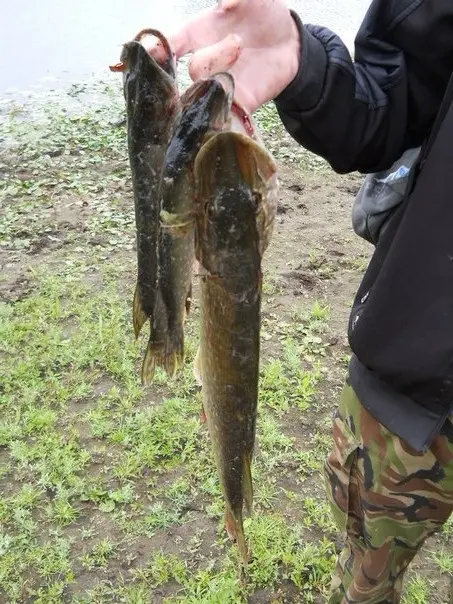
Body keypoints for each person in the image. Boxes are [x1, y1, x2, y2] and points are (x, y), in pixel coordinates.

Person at [144, 1, 453, 602]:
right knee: (366, 554)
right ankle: (242, 511)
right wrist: (305, 63)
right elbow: (398, 102)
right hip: (425, 386)